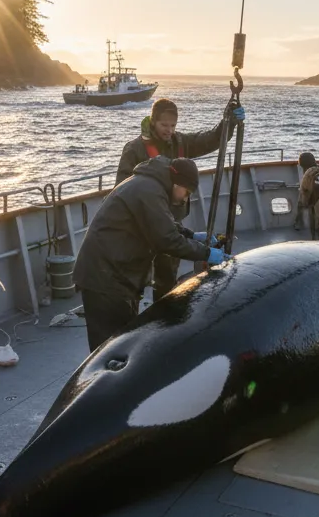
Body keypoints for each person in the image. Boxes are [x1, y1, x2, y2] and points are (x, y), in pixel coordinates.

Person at [75, 157, 231, 351]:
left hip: (115, 275)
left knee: (124, 342)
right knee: (109, 351)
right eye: (187, 192)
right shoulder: (149, 191)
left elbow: (161, 223)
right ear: (176, 183)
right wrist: (207, 254)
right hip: (105, 278)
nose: (185, 199)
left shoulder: (150, 185)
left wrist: (191, 235)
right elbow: (166, 240)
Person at [115, 98, 241, 298]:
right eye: (164, 125)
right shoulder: (134, 149)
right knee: (135, 276)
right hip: (142, 224)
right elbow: (121, 189)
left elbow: (210, 139)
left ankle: (164, 312)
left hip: (172, 222)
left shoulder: (181, 143)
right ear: (153, 121)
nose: (169, 130)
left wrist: (228, 123)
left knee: (167, 276)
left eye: (173, 125)